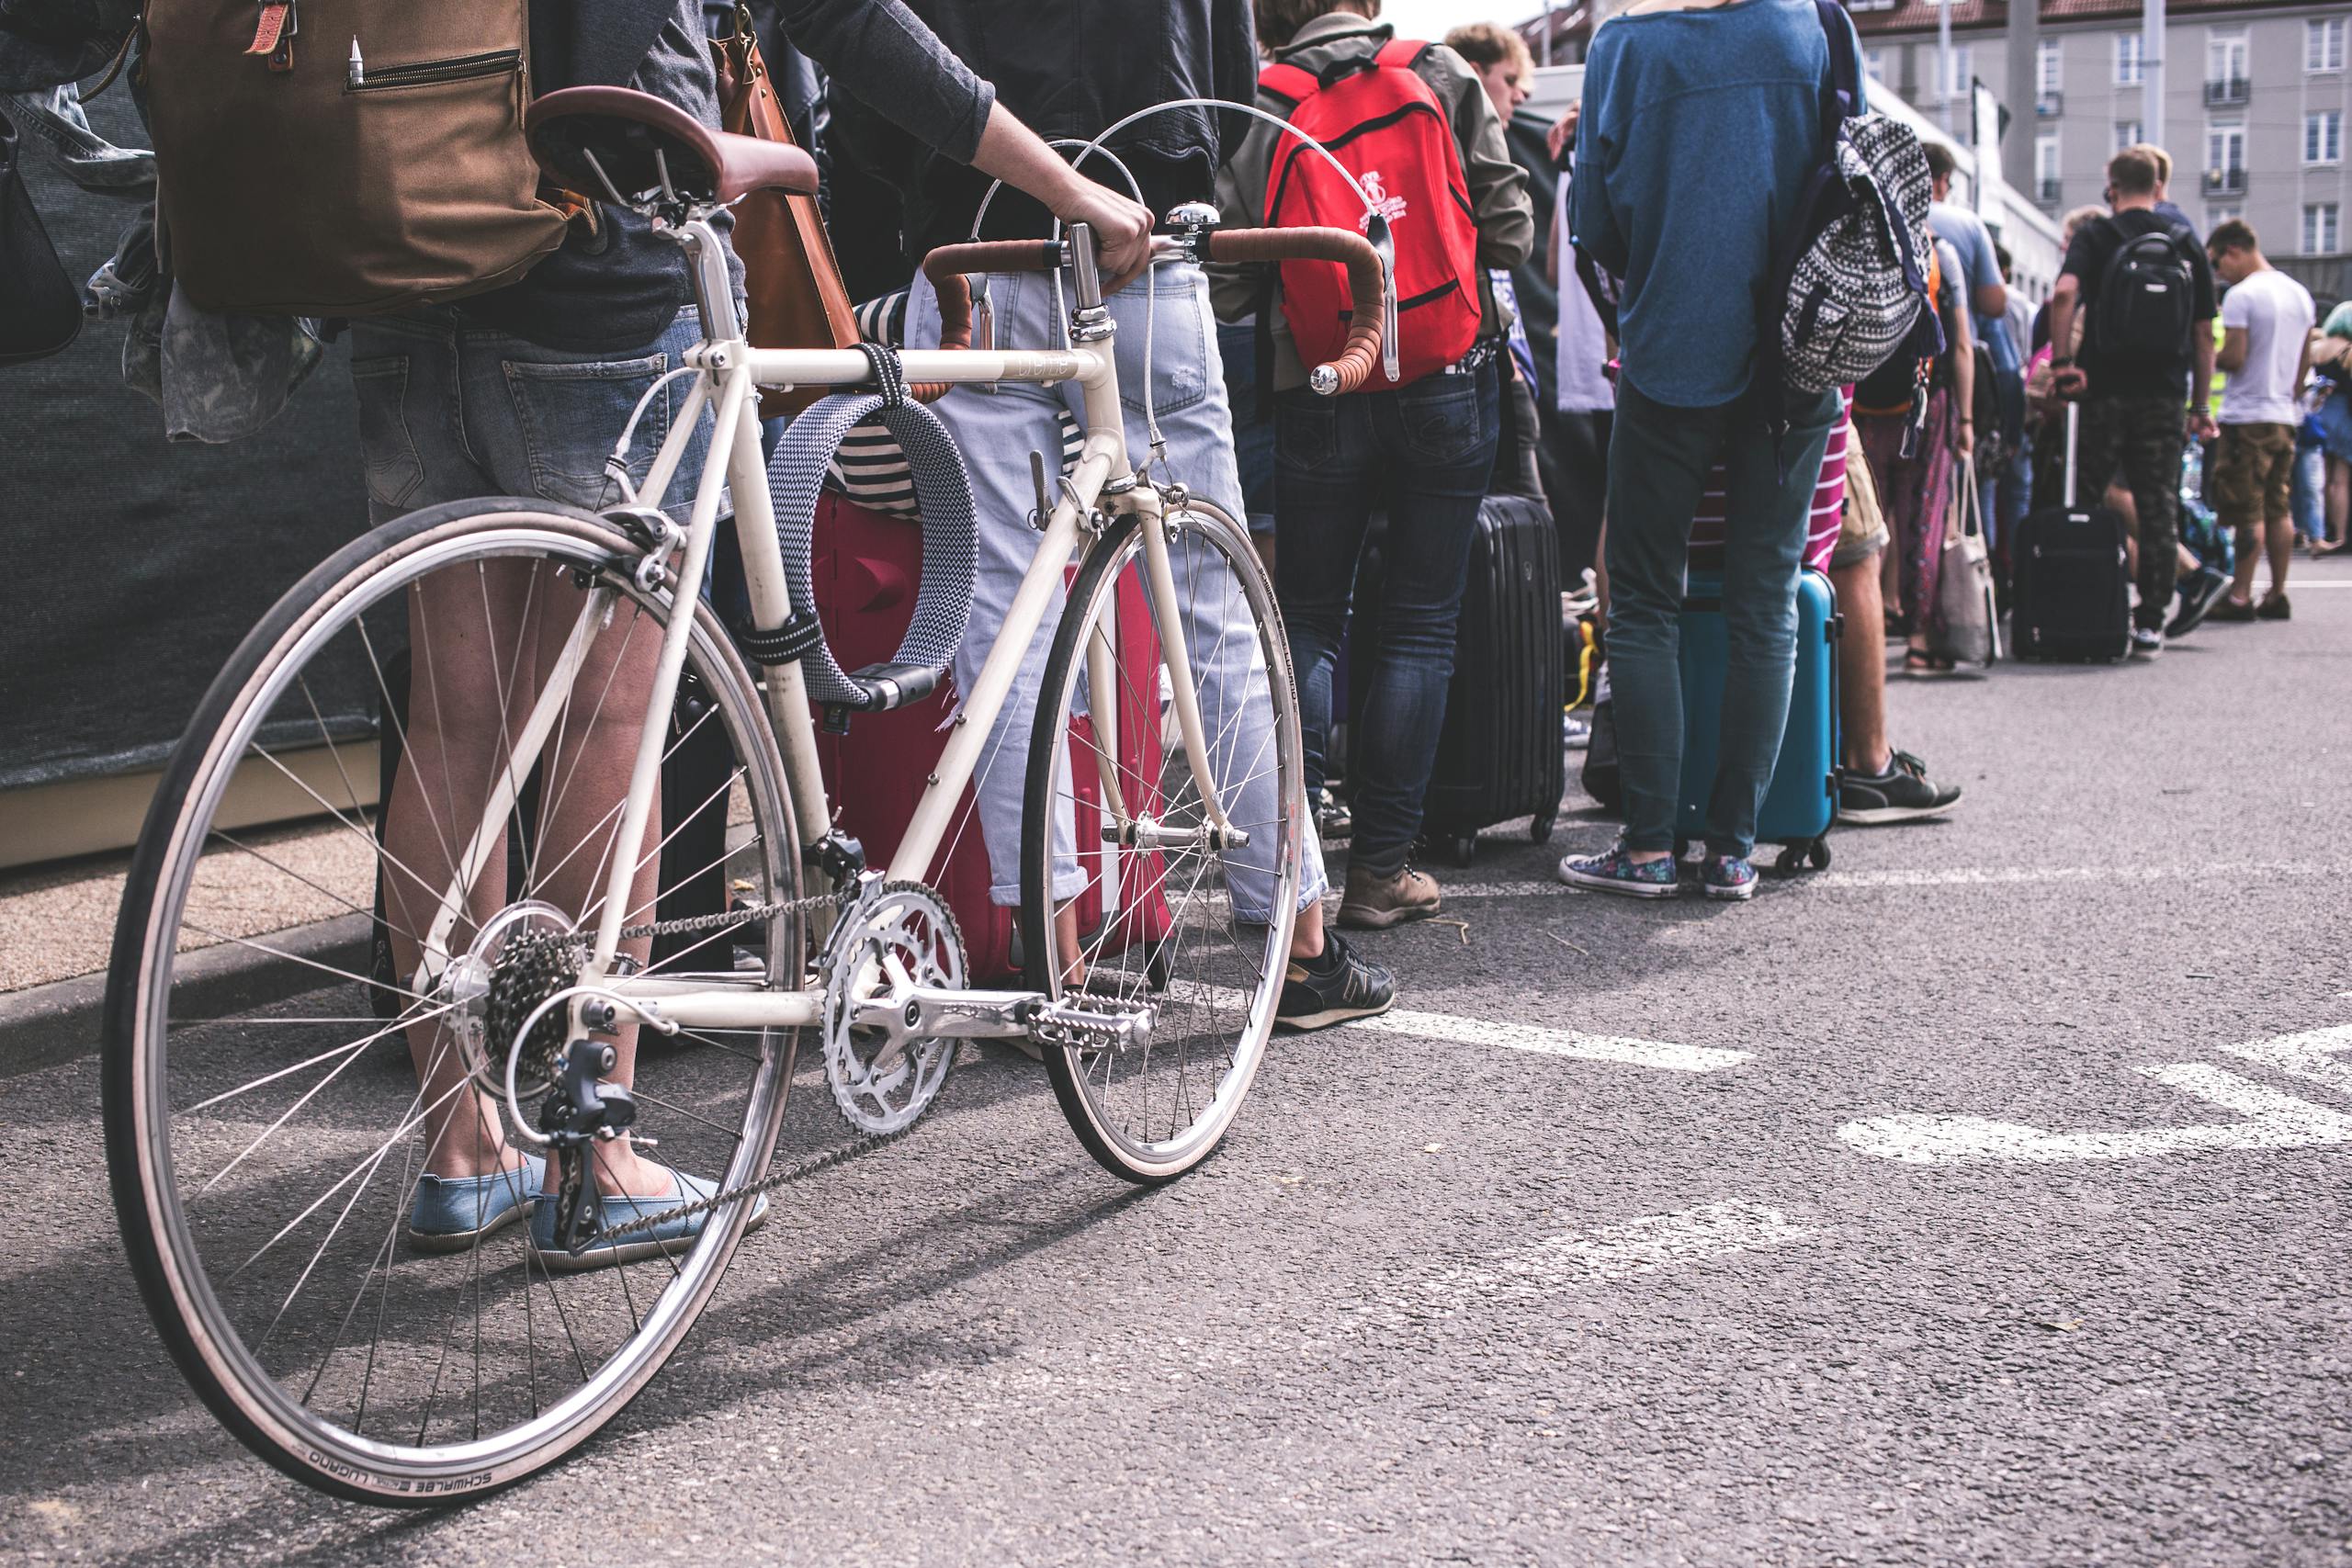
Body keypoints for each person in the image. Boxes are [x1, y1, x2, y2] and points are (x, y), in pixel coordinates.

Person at [377, 0, 1164, 1259]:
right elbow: (848, 20)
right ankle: (601, 1152)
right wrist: (1067, 185)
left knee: (455, 714)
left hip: (418, 250)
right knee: (610, 718)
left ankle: (464, 1147)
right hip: (606, 264)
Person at [897, 0, 1396, 1029]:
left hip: (967, 247)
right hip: (1140, 234)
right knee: (1217, 610)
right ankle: (1294, 942)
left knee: (1004, 609)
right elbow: (1223, 78)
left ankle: (1049, 947)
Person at [1215, 0, 1532, 930]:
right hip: (1446, 372)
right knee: (1420, 625)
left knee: (1308, 621)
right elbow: (1508, 231)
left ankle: (1295, 870)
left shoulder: (1257, 101)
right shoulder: (1436, 70)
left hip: (1317, 380)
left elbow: (1231, 280)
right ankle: (1381, 872)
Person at [1556, 0, 1851, 902]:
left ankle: (1646, 845)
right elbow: (1852, 176)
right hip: (1794, 357)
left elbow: (1595, 223)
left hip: (1671, 345)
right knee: (1766, 600)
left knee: (1642, 601)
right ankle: (1731, 850)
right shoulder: (1815, 27)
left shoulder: (1625, 46)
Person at [2041, 146, 2217, 657]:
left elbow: (2064, 293)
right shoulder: (2185, 241)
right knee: (2157, 504)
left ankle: (2089, 604)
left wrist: (2061, 362)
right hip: (2164, 394)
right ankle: (2150, 621)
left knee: (2089, 497)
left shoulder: (2097, 234)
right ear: (2159, 186)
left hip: (2103, 388)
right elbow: (2205, 334)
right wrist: (2199, 405)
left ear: (2111, 185)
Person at [1855, 232, 1975, 675]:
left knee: (1865, 525)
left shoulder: (1860, 231)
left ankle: (1858, 641)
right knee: (1923, 520)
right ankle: (1921, 642)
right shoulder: (1938, 249)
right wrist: (1967, 422)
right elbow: (1960, 344)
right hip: (1924, 403)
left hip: (1863, 406)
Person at [2201, 219, 2314, 623]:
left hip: (2247, 414)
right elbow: (2304, 363)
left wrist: (2203, 357)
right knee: (2278, 505)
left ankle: (2239, 596)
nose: (2218, 272)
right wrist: (2289, 393)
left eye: (2217, 262)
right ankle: (2277, 592)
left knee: (2245, 507)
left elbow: (2235, 356)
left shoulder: (2241, 295)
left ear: (2234, 250)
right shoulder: (2299, 294)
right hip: (2284, 413)